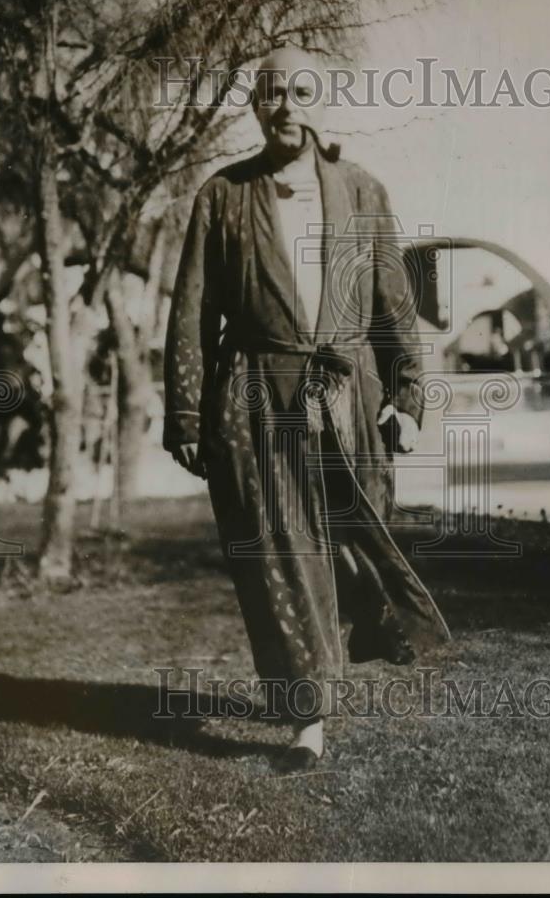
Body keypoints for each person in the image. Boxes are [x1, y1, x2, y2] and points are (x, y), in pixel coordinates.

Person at [163, 46, 450, 770]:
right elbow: (191, 309)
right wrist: (189, 414)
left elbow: (393, 305)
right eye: (272, 92)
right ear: (256, 106)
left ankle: (369, 632)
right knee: (283, 554)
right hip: (258, 395)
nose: (286, 104)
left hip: (350, 397)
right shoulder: (222, 196)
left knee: (355, 544)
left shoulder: (361, 191)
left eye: (301, 91)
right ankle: (307, 717)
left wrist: (408, 395)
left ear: (322, 102)